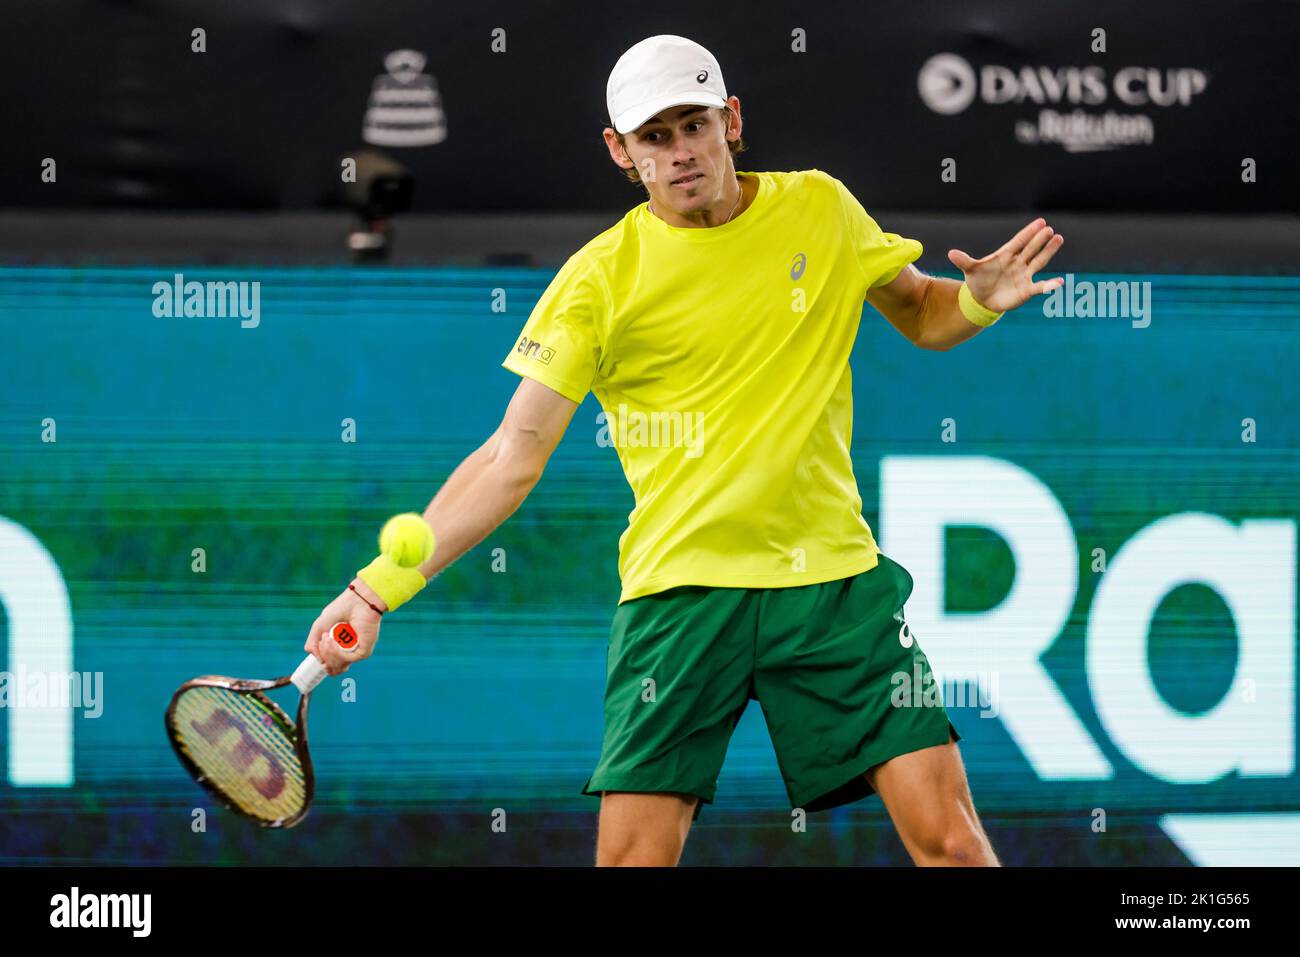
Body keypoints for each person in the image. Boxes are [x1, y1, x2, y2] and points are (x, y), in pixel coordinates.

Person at [305, 33, 1065, 867]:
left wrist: (980, 301)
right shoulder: (598, 281)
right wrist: (373, 591)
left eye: (692, 126)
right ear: (621, 152)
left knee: (954, 844)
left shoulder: (821, 208)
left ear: (730, 119)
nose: (679, 153)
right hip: (679, 600)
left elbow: (922, 312)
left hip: (833, 590)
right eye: (653, 138)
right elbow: (509, 456)